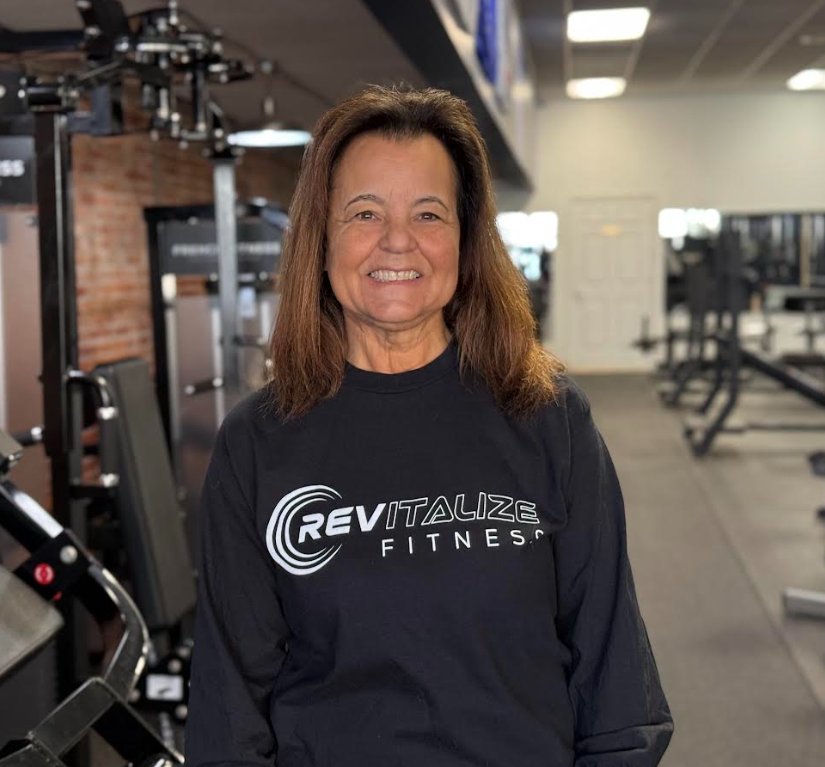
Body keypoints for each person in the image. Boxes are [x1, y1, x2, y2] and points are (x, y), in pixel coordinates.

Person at [185, 85, 673, 767]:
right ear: (321, 239)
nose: (397, 240)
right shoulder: (257, 441)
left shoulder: (547, 415)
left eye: (428, 213)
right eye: (364, 212)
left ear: (465, 240)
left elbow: (615, 675)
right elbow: (227, 704)